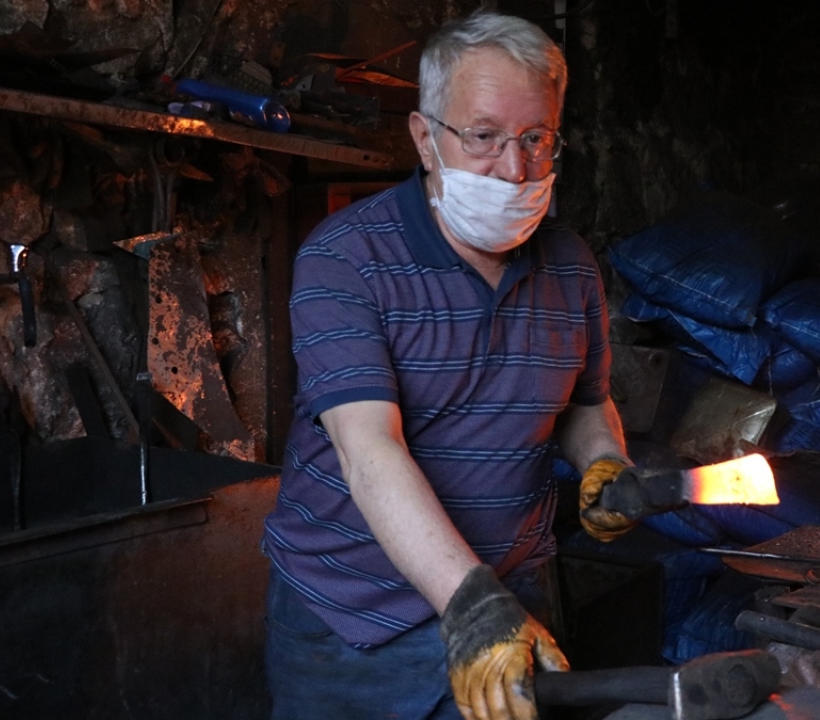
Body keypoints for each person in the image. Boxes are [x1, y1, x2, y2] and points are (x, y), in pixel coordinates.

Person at [261, 10, 640, 720]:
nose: (515, 167)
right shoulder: (345, 259)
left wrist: (604, 462)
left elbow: (587, 403)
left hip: (512, 601)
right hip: (353, 630)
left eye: (536, 139)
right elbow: (367, 446)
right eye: (485, 137)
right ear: (425, 139)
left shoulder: (570, 266)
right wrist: (469, 601)